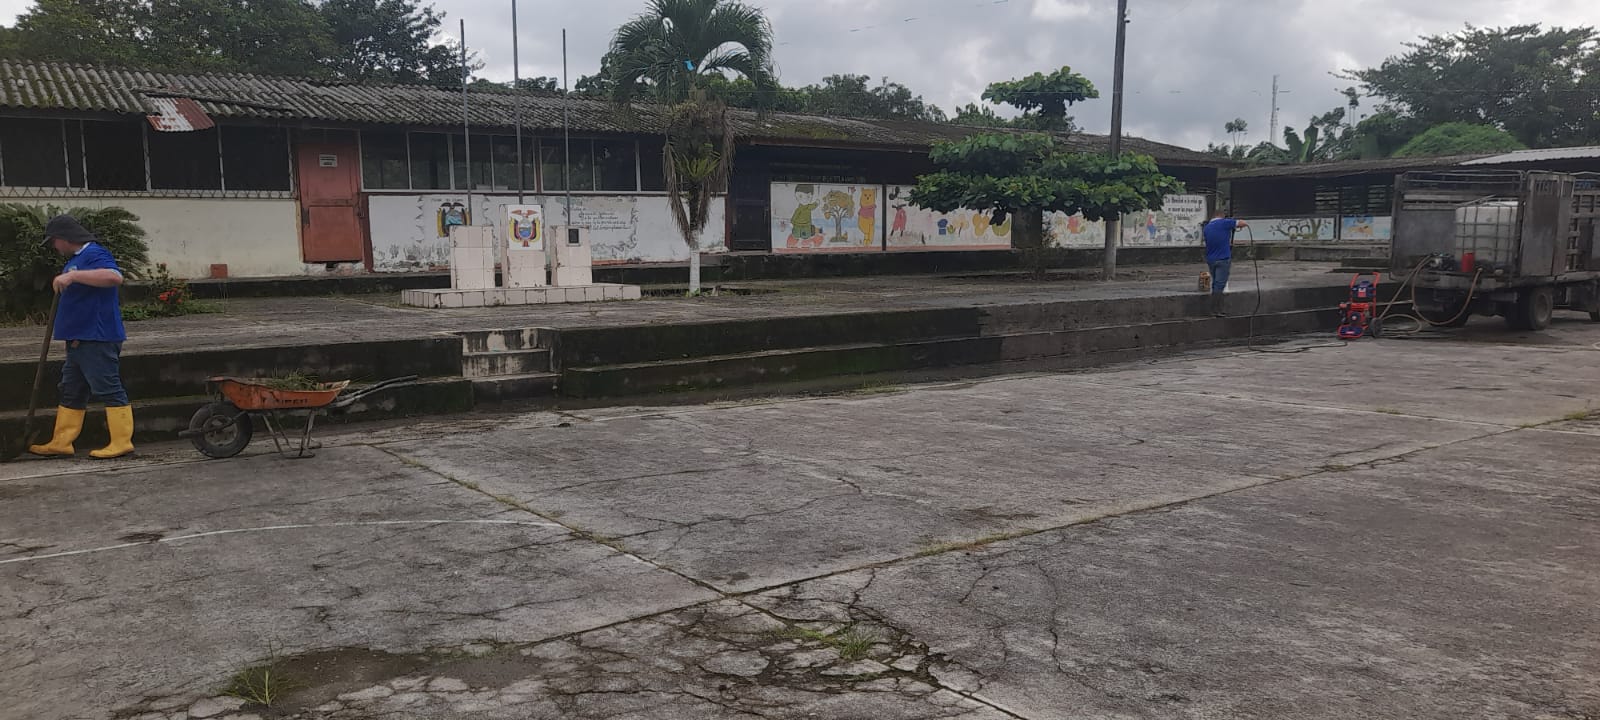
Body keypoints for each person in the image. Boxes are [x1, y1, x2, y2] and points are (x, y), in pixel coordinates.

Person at [29, 215, 135, 459]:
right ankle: (62, 441)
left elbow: (114, 277)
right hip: (78, 338)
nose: (54, 247)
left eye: (54, 241)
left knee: (107, 386)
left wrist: (73, 276)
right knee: (71, 389)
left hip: (96, 336)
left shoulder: (94, 253)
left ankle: (121, 441)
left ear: (65, 238)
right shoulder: (77, 259)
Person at [1201, 213, 1249, 317]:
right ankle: (1215, 309)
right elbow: (1242, 223)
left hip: (1211, 259)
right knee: (1220, 285)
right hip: (1223, 259)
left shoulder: (1207, 228)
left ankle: (1217, 308)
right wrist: (1234, 224)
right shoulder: (1224, 223)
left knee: (1215, 283)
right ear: (1221, 216)